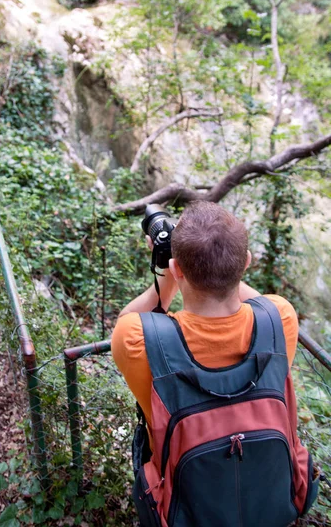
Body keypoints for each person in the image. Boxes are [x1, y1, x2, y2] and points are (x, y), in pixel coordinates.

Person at [112, 200, 318, 527]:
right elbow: (257, 302)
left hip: (188, 512)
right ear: (247, 263)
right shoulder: (281, 321)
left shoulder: (138, 339)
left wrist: (168, 270)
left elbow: (135, 319)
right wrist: (221, 264)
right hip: (267, 508)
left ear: (178, 269)